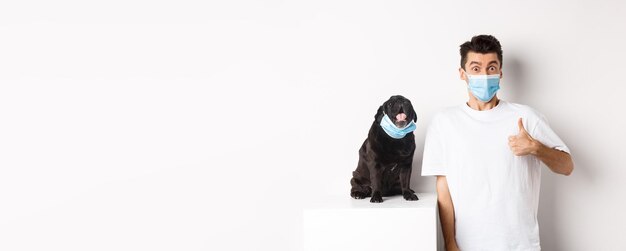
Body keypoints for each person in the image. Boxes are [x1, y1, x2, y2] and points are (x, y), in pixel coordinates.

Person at [421, 35, 574, 251]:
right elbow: (443, 189)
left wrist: (536, 148)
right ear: (462, 74)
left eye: (491, 68)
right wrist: (450, 242)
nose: (484, 75)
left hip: (520, 245)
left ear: (500, 73)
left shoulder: (526, 117)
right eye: (476, 68)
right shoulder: (444, 122)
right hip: (467, 245)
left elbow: (567, 166)